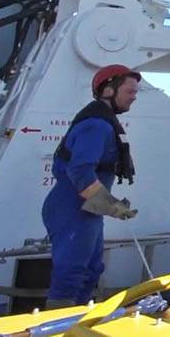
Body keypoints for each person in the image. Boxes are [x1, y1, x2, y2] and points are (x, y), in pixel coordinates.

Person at [42, 64, 141, 308]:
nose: (134, 97)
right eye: (130, 91)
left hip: (87, 211)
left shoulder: (102, 123)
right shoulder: (96, 125)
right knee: (72, 274)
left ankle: (77, 322)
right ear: (108, 90)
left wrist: (109, 205)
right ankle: (59, 325)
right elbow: (80, 171)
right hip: (72, 208)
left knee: (91, 270)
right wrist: (112, 206)